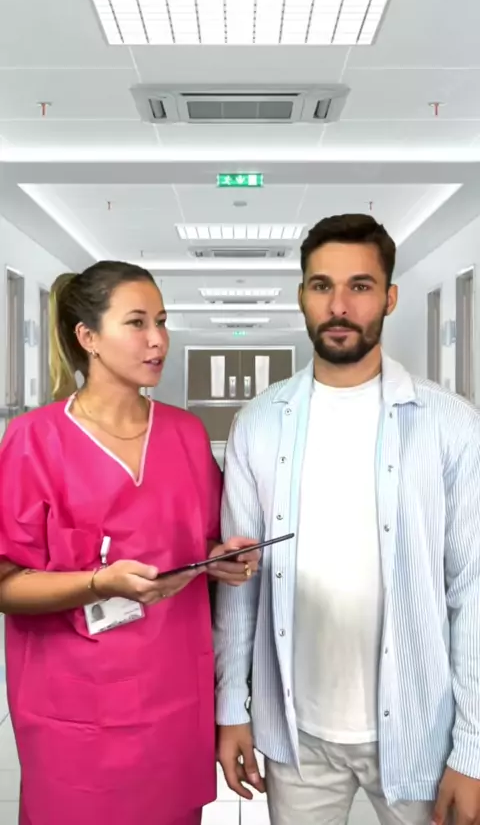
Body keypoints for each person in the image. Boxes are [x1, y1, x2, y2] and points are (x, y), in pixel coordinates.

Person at [214, 214, 480, 825]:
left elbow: (472, 593)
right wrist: (232, 708)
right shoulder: (259, 423)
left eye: (360, 286)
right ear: (301, 296)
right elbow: (241, 580)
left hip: (423, 729)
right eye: (321, 286)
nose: (338, 306)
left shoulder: (452, 426)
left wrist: (472, 747)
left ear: (389, 297)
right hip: (296, 732)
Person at [0, 260, 260, 825]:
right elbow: (6, 585)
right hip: (73, 707)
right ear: (88, 337)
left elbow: (203, 542)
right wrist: (98, 583)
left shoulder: (186, 434)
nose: (158, 339)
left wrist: (221, 560)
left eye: (161, 322)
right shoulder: (33, 440)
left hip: (173, 699)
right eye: (137, 322)